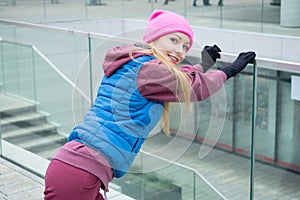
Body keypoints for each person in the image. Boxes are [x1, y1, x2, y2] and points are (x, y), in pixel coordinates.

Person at [43, 10, 255, 200]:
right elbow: (191, 86)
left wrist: (203, 65)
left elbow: (177, 79)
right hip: (81, 171)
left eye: (184, 46)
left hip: (76, 167)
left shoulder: (137, 63)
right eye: (174, 40)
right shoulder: (149, 70)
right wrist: (228, 71)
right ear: (153, 39)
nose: (180, 50)